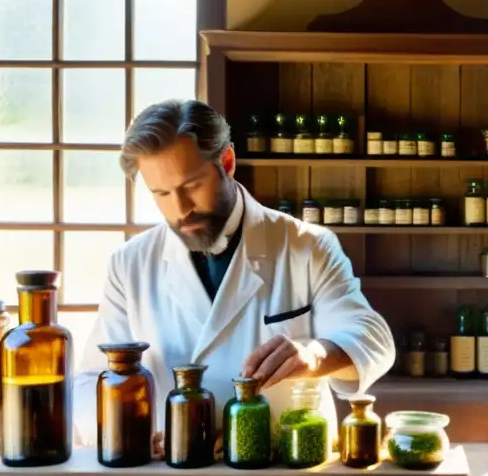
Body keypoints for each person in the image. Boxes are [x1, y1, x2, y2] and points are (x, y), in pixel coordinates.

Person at [72, 99, 396, 451]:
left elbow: (372, 339)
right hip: (170, 472)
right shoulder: (129, 264)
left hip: (281, 471)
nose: (180, 209)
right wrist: (132, 435)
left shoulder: (308, 246)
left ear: (226, 162)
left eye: (192, 185)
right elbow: (91, 379)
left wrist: (314, 355)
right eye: (161, 194)